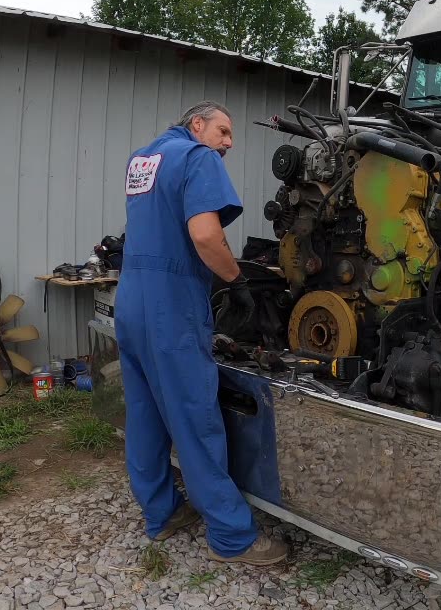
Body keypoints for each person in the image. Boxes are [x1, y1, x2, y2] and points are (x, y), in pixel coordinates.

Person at [116, 100, 288, 566]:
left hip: (130, 299)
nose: (228, 143)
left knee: (146, 413)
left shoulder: (143, 159)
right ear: (197, 125)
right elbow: (207, 236)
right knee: (195, 416)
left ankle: (162, 513)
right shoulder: (197, 156)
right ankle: (232, 536)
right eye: (224, 131)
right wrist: (237, 281)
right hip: (171, 305)